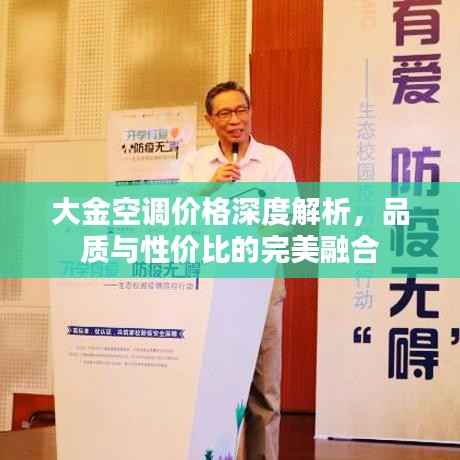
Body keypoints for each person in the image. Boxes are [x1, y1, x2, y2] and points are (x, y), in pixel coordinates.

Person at [179, 81, 295, 460]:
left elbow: (286, 218)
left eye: (241, 110)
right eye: (225, 113)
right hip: (210, 282)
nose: (235, 120)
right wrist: (209, 188)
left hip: (261, 280)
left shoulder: (274, 161)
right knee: (210, 385)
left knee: (264, 387)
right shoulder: (196, 164)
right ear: (209, 119)